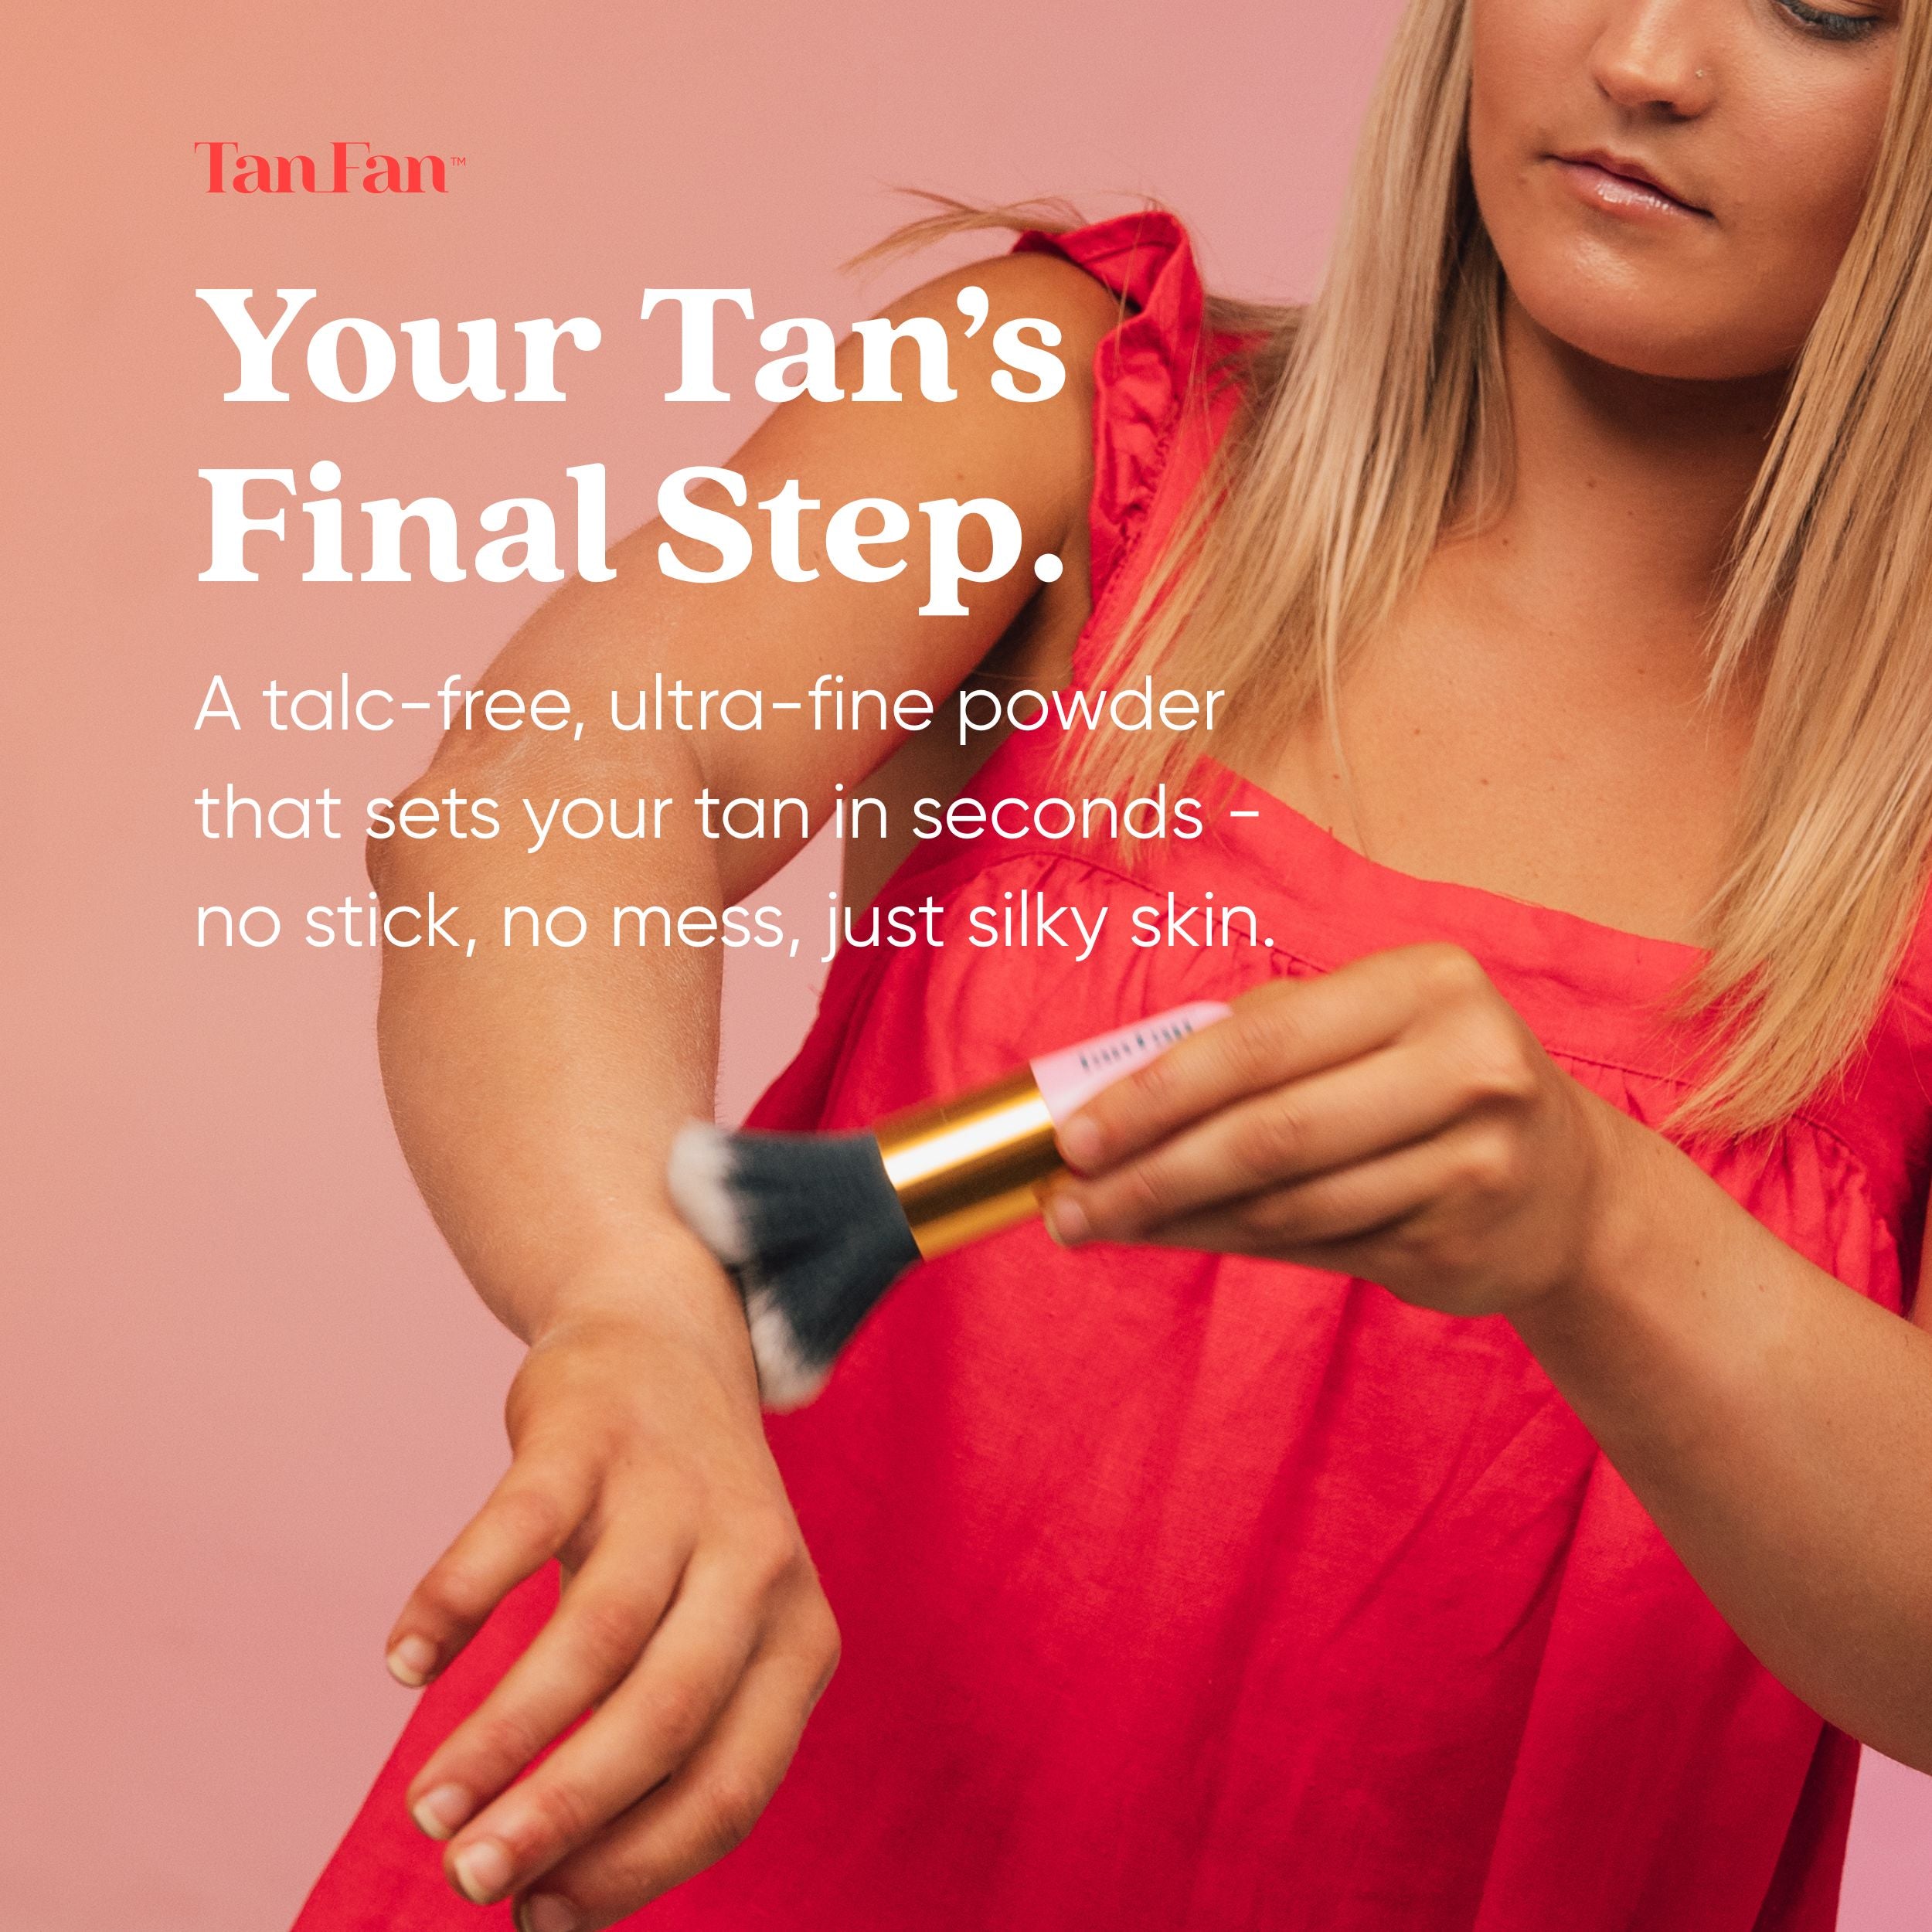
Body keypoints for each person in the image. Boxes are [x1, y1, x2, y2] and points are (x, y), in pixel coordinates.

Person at [293, 1, 1932, 1927]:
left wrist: (1601, 1233)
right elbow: (558, 777)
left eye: (1820, 3)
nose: (1647, 56)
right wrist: (623, 1300)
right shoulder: (1065, 409)